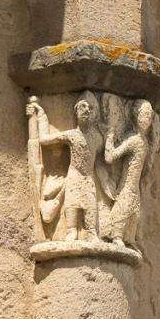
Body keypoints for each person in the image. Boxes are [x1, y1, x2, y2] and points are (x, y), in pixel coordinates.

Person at [26, 92, 101, 241]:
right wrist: (41, 116)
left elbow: (108, 157)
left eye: (91, 108)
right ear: (76, 111)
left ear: (95, 114)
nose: (87, 110)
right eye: (83, 106)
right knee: (72, 206)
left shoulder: (98, 138)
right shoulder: (72, 135)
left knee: (91, 208)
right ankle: (71, 231)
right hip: (73, 176)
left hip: (89, 178)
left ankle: (92, 232)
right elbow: (44, 140)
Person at [102, 99, 155, 248]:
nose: (147, 119)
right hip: (127, 184)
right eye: (144, 115)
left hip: (135, 186)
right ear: (136, 117)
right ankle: (116, 235)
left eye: (149, 116)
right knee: (124, 206)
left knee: (134, 213)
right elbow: (110, 157)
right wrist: (109, 138)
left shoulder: (144, 141)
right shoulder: (132, 140)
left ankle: (128, 239)